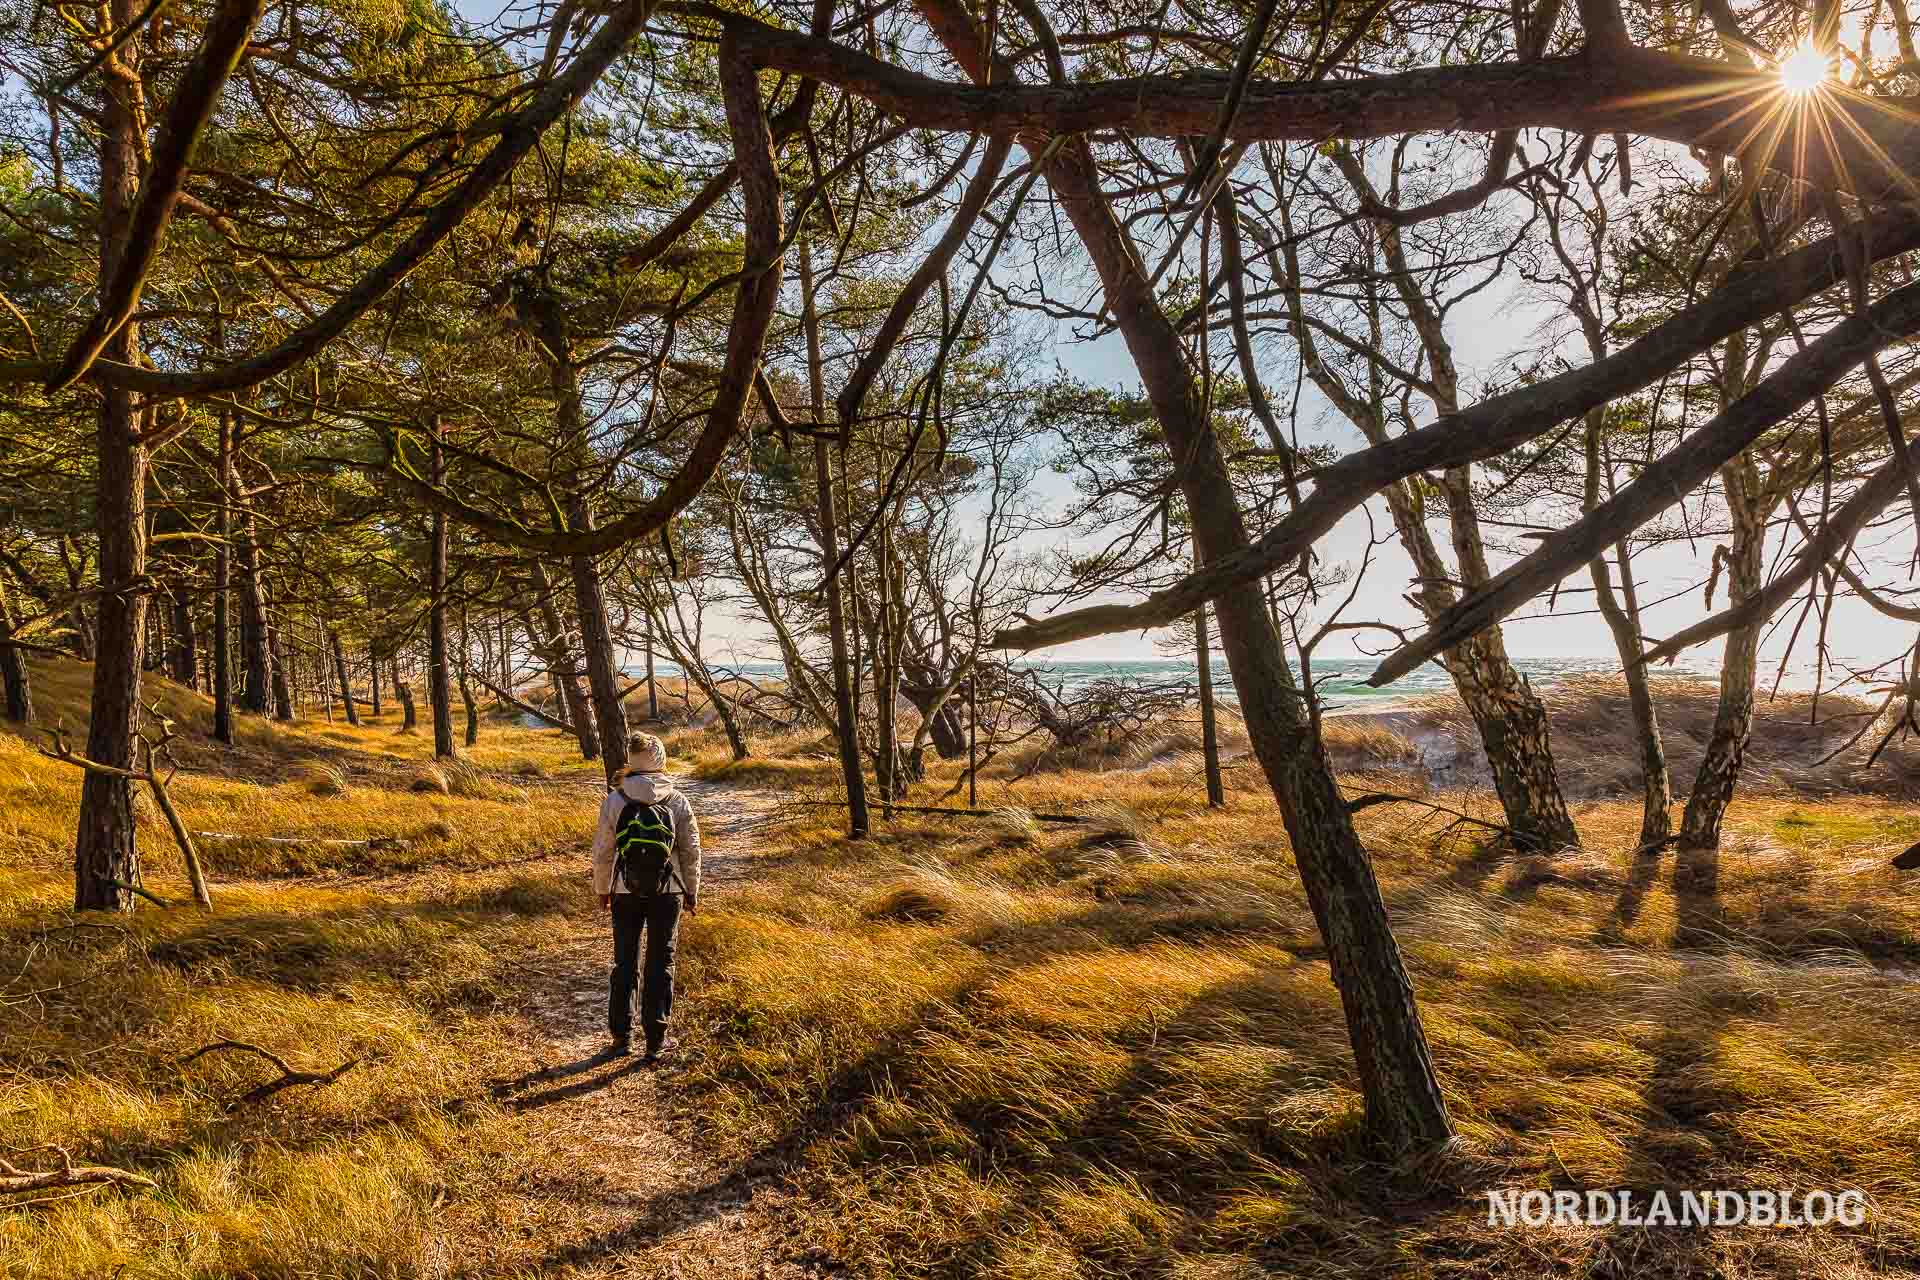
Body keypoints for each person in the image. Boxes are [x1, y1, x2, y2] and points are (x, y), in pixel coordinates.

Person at [589, 731, 701, 1060]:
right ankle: (655, 1041)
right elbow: (691, 850)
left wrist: (603, 888)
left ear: (632, 761)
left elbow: (603, 851)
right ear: (661, 761)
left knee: (625, 962)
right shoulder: (677, 800)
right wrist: (692, 890)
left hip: (624, 891)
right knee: (660, 962)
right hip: (669, 893)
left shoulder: (615, 800)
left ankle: (621, 1037)